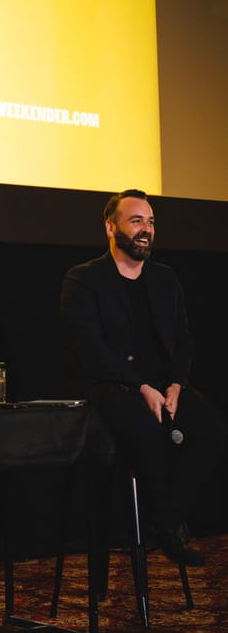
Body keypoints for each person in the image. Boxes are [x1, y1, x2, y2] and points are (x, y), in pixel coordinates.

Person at [60, 189, 226, 567]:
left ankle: (165, 520)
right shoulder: (84, 279)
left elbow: (183, 339)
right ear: (110, 227)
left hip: (161, 386)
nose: (145, 230)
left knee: (212, 431)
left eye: (150, 222)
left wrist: (176, 385)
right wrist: (141, 387)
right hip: (109, 385)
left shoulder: (165, 279)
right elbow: (90, 349)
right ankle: (165, 523)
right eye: (136, 221)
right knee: (146, 431)